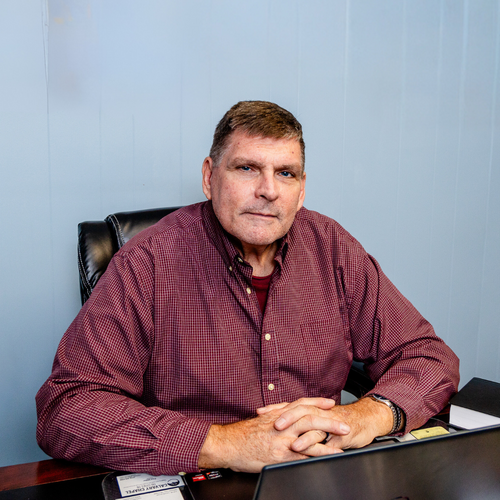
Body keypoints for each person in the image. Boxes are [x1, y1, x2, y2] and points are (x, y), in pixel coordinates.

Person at [36, 101, 459, 476]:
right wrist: (226, 444)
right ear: (209, 177)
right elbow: (66, 408)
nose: (268, 191)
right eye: (247, 168)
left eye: (285, 173)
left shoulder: (332, 248)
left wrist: (365, 416)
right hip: (203, 478)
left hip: (315, 475)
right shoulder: (147, 263)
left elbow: (429, 357)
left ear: (301, 189)